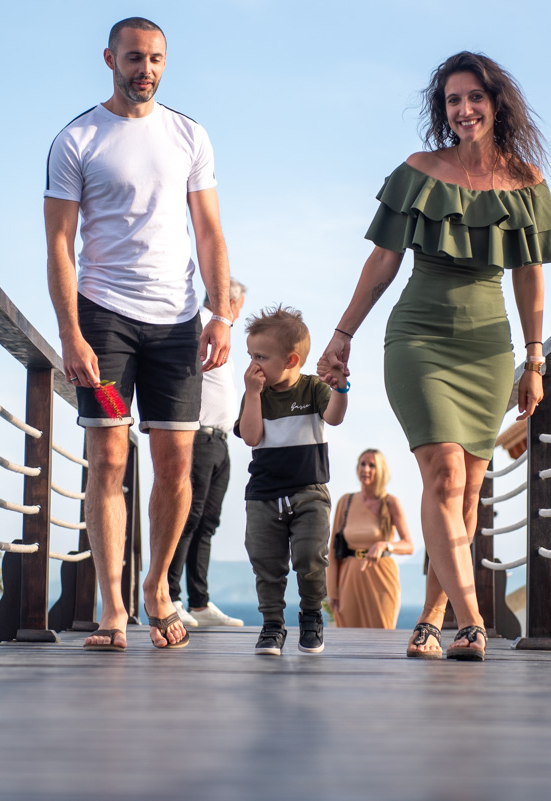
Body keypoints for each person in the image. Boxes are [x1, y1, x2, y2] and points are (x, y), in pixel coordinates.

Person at [317, 52, 551, 661]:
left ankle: (430, 616)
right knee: (444, 477)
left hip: (489, 347)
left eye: (474, 97)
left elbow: (529, 278)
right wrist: (343, 333)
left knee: (468, 494)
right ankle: (473, 622)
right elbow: (382, 263)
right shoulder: (420, 171)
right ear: (443, 109)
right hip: (419, 337)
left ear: (496, 102)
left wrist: (535, 359)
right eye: (453, 100)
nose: (464, 109)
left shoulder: (526, 183)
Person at [44, 17, 231, 652]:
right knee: (109, 458)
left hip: (178, 325)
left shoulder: (189, 135)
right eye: (132, 58)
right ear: (109, 59)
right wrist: (71, 332)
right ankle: (112, 606)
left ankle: (157, 588)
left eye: (154, 59)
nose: (144, 69)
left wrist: (222, 314)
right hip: (104, 322)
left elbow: (208, 231)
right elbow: (60, 246)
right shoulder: (77, 140)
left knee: (177, 465)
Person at [236, 305, 348, 656]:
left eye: (261, 356)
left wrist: (341, 387)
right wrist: (252, 395)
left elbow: (334, 418)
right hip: (264, 494)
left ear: (290, 359)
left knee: (310, 556)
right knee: (266, 562)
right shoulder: (256, 394)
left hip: (309, 491)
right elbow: (251, 436)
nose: (253, 365)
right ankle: (272, 625)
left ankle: (312, 615)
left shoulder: (313, 389)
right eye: (251, 355)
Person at [168, 279, 248, 629]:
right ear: (229, 303)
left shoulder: (221, 334)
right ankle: (170, 597)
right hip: (198, 438)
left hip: (219, 441)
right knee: (187, 519)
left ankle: (198, 603)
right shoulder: (201, 321)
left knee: (206, 524)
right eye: (239, 307)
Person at [327, 449, 413, 629]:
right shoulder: (346, 501)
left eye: (372, 465)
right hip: (349, 579)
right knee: (347, 641)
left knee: (382, 637)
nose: (365, 469)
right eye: (362, 464)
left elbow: (408, 545)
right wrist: (332, 592)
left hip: (382, 579)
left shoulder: (390, 503)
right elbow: (333, 551)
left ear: (381, 470)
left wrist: (385, 545)